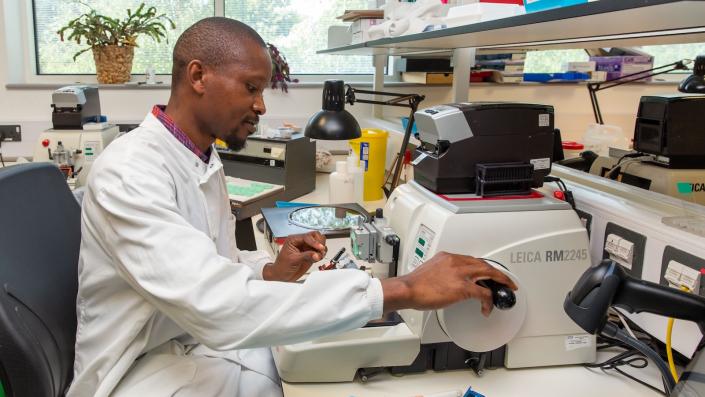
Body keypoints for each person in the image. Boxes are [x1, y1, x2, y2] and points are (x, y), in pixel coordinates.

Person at [67, 17, 517, 397]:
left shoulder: (199, 154)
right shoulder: (130, 172)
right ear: (199, 76)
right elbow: (212, 302)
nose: (260, 105)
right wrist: (401, 290)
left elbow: (208, 261)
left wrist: (270, 271)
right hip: (136, 369)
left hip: (189, 344)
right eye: (250, 88)